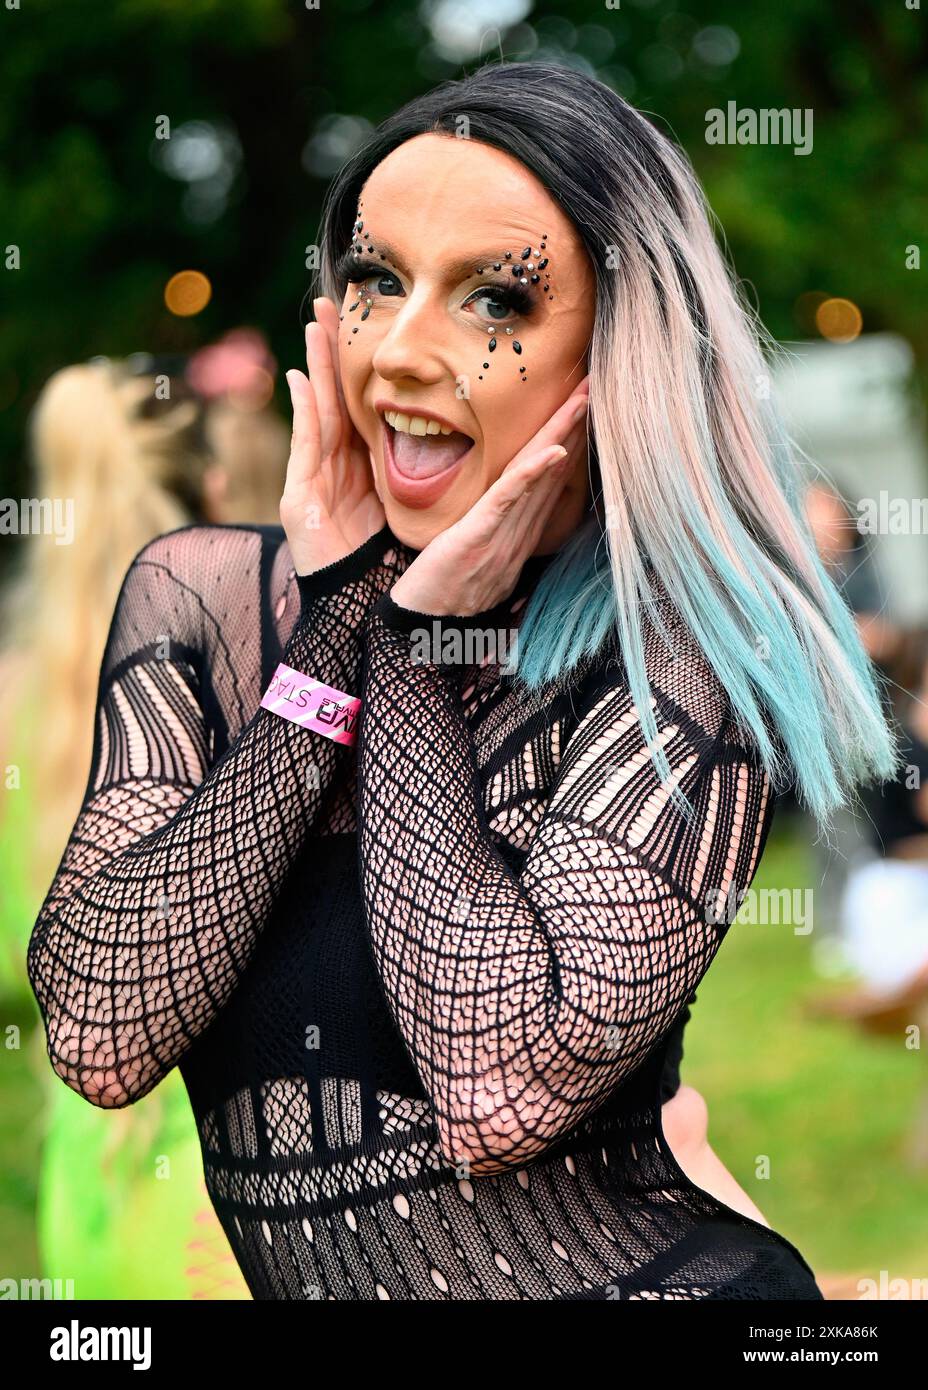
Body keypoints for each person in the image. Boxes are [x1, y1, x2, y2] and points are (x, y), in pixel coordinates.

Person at [26, 61, 898, 1300]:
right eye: (376, 281)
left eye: (494, 299)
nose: (405, 352)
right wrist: (344, 628)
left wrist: (409, 647)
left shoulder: (681, 659)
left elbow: (495, 1080)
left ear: (615, 352)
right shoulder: (205, 598)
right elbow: (101, 1027)